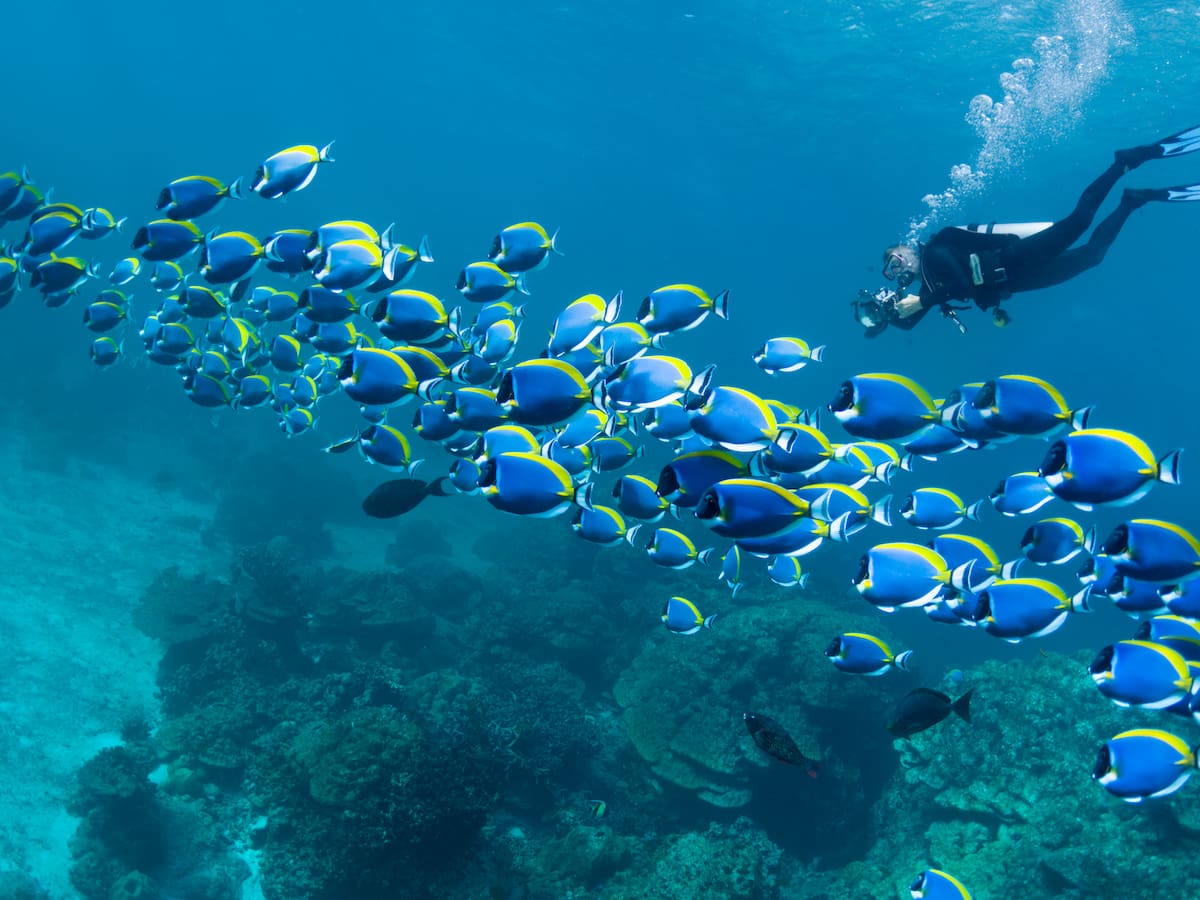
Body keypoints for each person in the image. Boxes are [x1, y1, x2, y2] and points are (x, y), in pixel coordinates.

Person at [857, 124, 1200, 337]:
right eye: (892, 268)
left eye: (897, 258)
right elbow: (911, 320)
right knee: (1092, 257)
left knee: (1078, 222)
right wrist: (883, 317)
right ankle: (1132, 201)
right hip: (1019, 282)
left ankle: (1123, 162)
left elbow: (960, 284)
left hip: (1015, 257)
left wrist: (924, 299)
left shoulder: (937, 249)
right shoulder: (929, 285)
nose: (898, 267)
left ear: (909, 249)